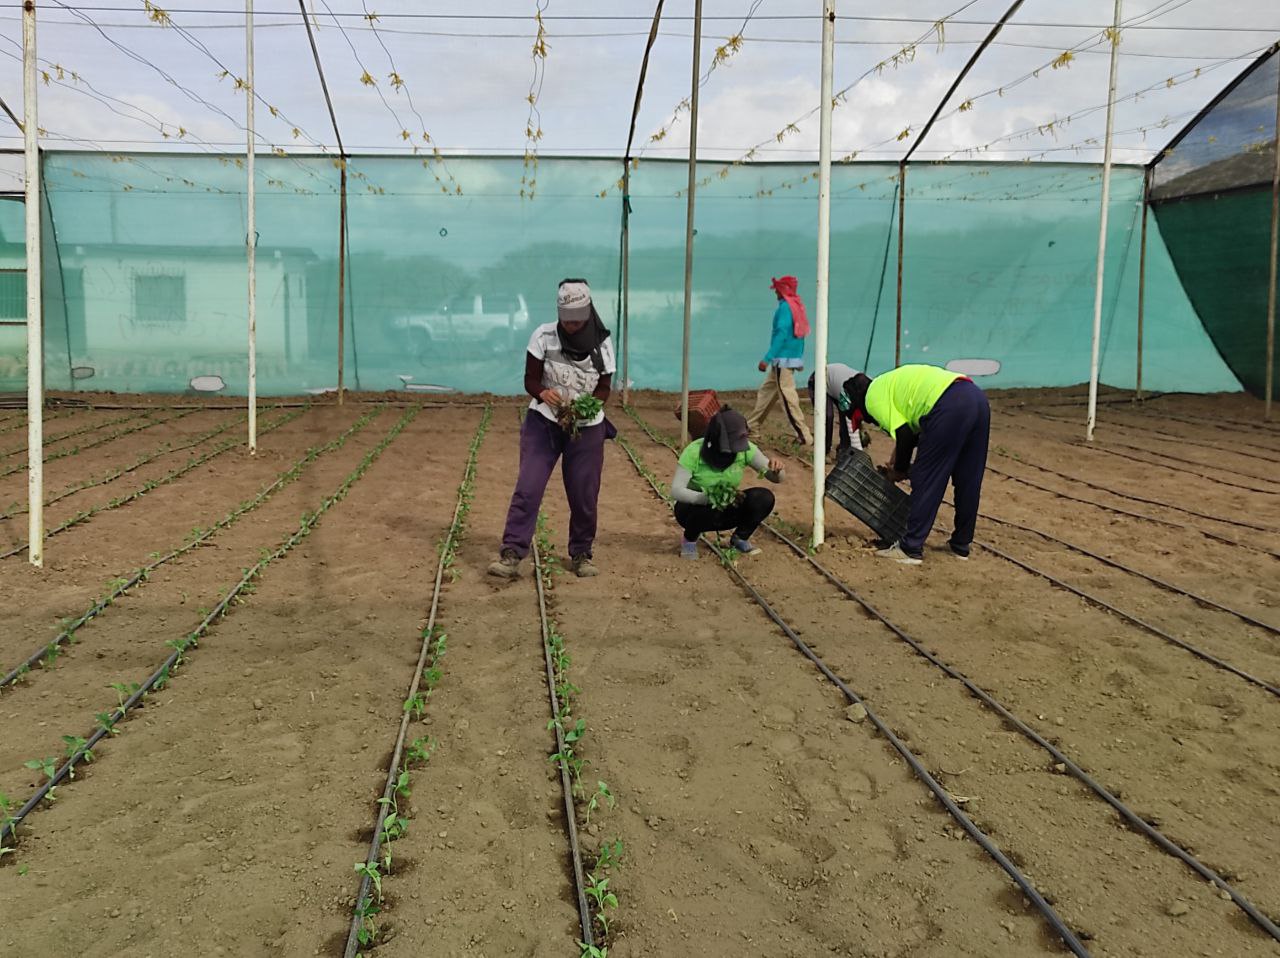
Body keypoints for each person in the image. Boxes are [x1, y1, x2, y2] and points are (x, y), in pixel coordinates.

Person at [489, 279, 615, 580]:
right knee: (528, 487)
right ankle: (512, 551)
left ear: (588, 314)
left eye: (577, 320)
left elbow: (604, 388)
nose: (571, 325)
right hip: (543, 422)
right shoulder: (544, 335)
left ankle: (582, 553)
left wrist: (584, 408)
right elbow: (530, 379)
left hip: (585, 428)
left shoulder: (602, 343)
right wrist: (543, 394)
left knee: (584, 493)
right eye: (566, 319)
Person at [842, 364, 990, 565]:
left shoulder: (871, 399)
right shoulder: (888, 383)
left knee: (927, 477)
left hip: (948, 405)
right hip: (975, 397)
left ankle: (910, 548)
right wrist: (898, 459)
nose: (871, 422)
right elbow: (913, 430)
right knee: (968, 478)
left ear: (858, 405)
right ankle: (960, 545)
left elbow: (903, 435)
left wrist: (900, 471)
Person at [671, 408, 786, 559]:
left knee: (763, 498)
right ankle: (689, 540)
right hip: (693, 512)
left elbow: (776, 478)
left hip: (725, 508)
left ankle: (740, 538)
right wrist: (706, 498)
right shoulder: (694, 452)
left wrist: (777, 471)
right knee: (706, 506)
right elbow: (676, 491)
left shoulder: (745, 449)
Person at [746, 276, 814, 446]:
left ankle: (804, 435)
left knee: (787, 397)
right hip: (788, 359)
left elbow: (782, 334)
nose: (775, 292)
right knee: (766, 392)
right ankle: (752, 427)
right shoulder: (796, 305)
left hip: (782, 361)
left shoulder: (785, 308)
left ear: (783, 290)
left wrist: (767, 358)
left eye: (777, 289)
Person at [807, 362, 869, 463]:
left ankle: (844, 450)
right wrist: (859, 454)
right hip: (818, 380)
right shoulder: (852, 393)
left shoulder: (869, 386)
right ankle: (823, 451)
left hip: (837, 385)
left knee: (846, 416)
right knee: (827, 416)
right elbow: (852, 424)